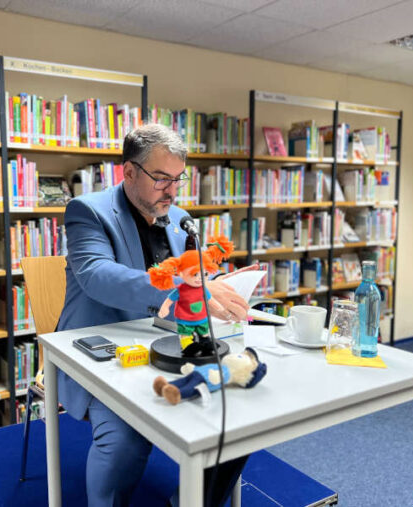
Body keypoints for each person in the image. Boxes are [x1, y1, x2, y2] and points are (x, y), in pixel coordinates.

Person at [57, 123, 250, 507]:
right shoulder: (88, 211)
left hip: (168, 344)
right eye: (162, 179)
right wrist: (181, 288)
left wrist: (218, 289)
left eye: (178, 179)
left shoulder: (179, 217)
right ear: (128, 172)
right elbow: (97, 275)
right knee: (127, 438)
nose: (173, 191)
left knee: (238, 424)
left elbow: (195, 279)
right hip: (103, 350)